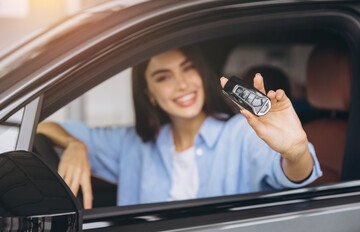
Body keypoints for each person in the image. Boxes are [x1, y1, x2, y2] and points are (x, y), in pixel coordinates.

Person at [37, 45, 322, 209]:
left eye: (188, 69)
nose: (183, 84)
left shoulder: (240, 132)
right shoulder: (133, 144)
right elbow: (42, 127)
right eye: (164, 77)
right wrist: (75, 144)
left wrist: (296, 152)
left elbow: (295, 173)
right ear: (149, 93)